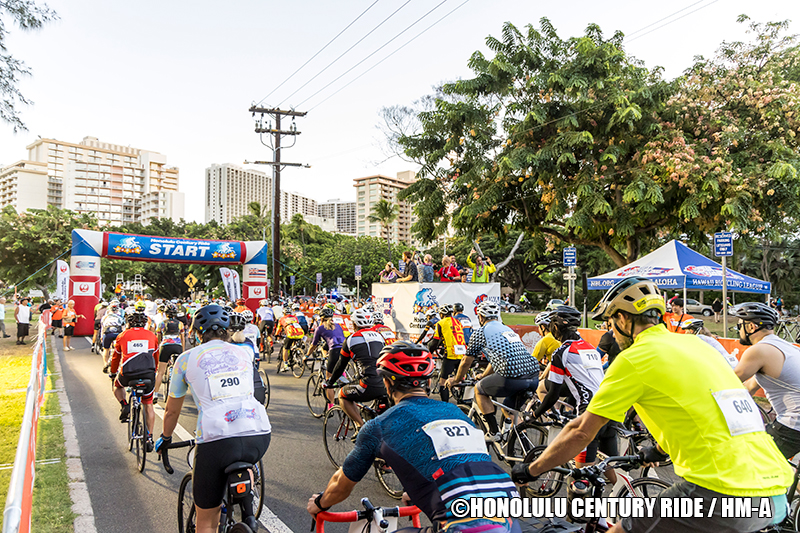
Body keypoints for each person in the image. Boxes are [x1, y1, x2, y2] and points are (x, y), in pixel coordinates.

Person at [513, 276, 793, 533]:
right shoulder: (699, 346)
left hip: (721, 491)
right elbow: (713, 409)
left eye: (610, 323)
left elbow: (581, 432)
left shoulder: (634, 358)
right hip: (775, 492)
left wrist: (531, 470)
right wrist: (656, 450)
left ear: (623, 319)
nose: (610, 331)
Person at [308, 342, 521, 533]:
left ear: (387, 384)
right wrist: (418, 488)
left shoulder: (378, 426)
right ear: (426, 382)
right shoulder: (456, 412)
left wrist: (319, 503)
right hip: (507, 512)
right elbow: (461, 460)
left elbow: (341, 484)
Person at [156, 304, 270, 533]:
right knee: (244, 459)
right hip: (258, 430)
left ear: (197, 333)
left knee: (207, 521)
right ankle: (249, 511)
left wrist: (166, 438)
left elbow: (171, 411)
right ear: (228, 330)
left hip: (215, 436)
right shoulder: (245, 353)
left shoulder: (186, 359)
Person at [532, 306, 616, 478]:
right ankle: (629, 493)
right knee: (610, 468)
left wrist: (535, 414)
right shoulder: (590, 348)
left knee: (579, 478)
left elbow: (553, 394)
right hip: (610, 408)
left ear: (555, 327)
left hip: (590, 415)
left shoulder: (561, 352)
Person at [445, 301, 539, 442]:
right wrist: (483, 375)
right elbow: (496, 359)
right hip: (533, 377)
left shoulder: (481, 332)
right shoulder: (507, 329)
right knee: (509, 409)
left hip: (511, 377)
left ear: (481, 317)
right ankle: (524, 446)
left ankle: (494, 432)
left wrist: (456, 380)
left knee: (479, 390)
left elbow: (466, 361)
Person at [733, 302, 800, 460]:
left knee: (748, 464)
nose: (738, 330)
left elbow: (727, 383)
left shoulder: (758, 350)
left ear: (750, 326)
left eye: (739, 326)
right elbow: (748, 387)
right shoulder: (787, 347)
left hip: (794, 424)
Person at [325, 308, 386, 429]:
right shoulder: (380, 337)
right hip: (385, 383)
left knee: (342, 394)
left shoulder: (351, 339)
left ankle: (360, 426)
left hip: (367, 384)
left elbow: (341, 365)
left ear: (353, 324)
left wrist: (330, 382)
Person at [109, 310, 158, 455]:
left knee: (117, 386)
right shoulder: (152, 335)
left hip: (128, 373)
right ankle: (149, 437)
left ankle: (124, 405)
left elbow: (115, 357)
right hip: (148, 374)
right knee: (148, 405)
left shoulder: (122, 335)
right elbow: (155, 357)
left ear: (129, 323)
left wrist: (112, 373)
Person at [307, 307, 346, 408]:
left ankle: (330, 406)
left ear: (321, 318)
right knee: (341, 370)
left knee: (329, 380)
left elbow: (313, 345)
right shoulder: (338, 326)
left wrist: (306, 355)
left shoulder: (320, 328)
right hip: (344, 349)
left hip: (334, 350)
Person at [427, 304, 466, 403]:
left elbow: (435, 342)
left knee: (442, 381)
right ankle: (462, 400)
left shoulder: (441, 323)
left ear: (441, 314)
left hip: (451, 355)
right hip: (463, 354)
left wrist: (428, 352)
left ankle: (445, 404)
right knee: (460, 378)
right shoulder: (458, 322)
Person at [154, 305, 185, 402]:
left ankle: (155, 394)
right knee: (179, 372)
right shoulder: (180, 324)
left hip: (165, 346)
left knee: (160, 372)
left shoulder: (161, 323)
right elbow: (183, 339)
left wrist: (159, 347)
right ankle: (177, 394)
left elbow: (158, 338)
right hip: (177, 346)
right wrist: (182, 351)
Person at [275, 307, 306, 373]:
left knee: (285, 348)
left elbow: (279, 328)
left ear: (284, 313)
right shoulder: (295, 317)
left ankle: (286, 365)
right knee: (293, 343)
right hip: (300, 332)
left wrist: (276, 335)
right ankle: (296, 351)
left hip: (290, 333)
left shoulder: (282, 318)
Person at [101, 301, 125, 373]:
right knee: (119, 350)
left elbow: (102, 327)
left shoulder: (105, 317)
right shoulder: (120, 317)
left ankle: (105, 363)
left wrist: (101, 336)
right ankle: (118, 365)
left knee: (106, 349)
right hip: (117, 334)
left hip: (108, 333)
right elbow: (123, 328)